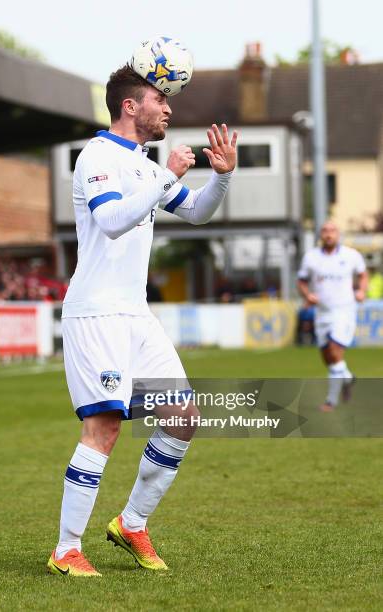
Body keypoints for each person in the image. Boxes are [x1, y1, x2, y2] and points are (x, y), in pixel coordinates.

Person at [47, 64, 238, 577]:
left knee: (183, 417)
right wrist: (169, 178)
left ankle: (132, 523)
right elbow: (110, 221)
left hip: (135, 313)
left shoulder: (148, 165)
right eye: (160, 98)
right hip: (97, 313)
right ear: (130, 106)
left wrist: (221, 176)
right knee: (104, 425)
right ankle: (66, 549)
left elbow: (197, 212)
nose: (169, 108)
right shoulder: (97, 157)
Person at [297, 221, 368, 412]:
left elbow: (363, 275)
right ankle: (348, 378)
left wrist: (361, 291)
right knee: (328, 358)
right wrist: (307, 295)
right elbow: (301, 281)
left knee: (335, 351)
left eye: (332, 231)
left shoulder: (351, 255)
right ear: (320, 235)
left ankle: (331, 401)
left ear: (338, 234)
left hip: (344, 311)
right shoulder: (311, 257)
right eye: (325, 231)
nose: (329, 234)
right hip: (322, 313)